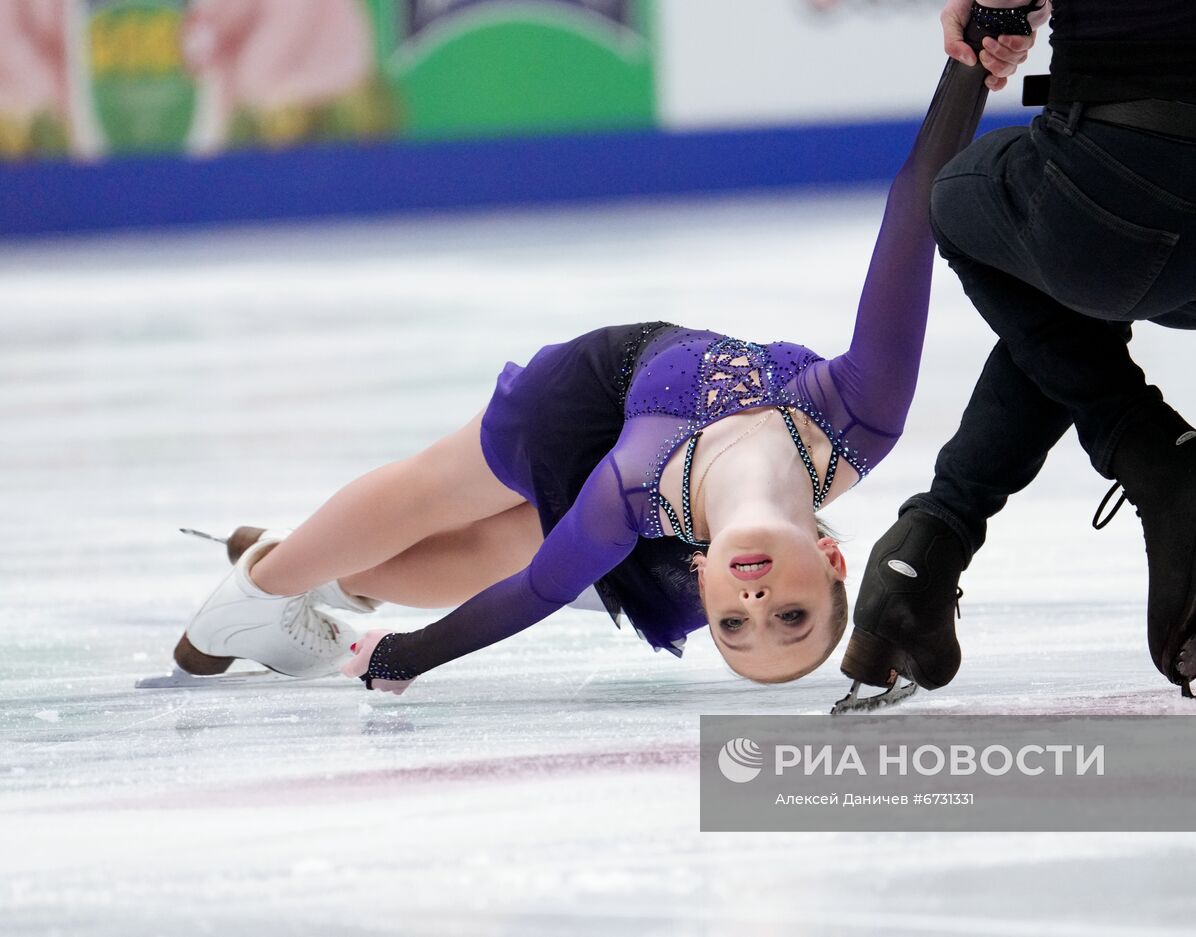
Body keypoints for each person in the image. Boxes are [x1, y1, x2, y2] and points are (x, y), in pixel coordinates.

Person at [168, 3, 1045, 694]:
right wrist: (974, 57)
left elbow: (540, 588)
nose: (754, 601)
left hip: (636, 483)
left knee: (505, 550)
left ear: (702, 581)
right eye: (792, 613)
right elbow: (913, 206)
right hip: (590, 392)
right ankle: (267, 585)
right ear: (829, 557)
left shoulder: (636, 490)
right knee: (447, 485)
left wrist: (406, 655)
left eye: (737, 625)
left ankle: (318, 581)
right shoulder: (860, 413)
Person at [845, 0, 1196, 699]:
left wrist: (997, 12)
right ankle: (929, 550)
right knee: (1070, 300)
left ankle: (1161, 466)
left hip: (1120, 207)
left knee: (964, 203)